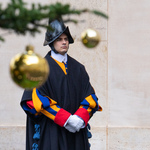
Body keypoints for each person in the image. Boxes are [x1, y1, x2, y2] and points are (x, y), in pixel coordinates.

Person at [20, 17, 102, 150]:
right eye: (59, 39)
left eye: (65, 39)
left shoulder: (79, 68)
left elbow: (90, 97)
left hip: (76, 132)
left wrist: (79, 119)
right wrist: (66, 119)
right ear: (51, 42)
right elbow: (33, 101)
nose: (64, 42)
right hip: (51, 132)